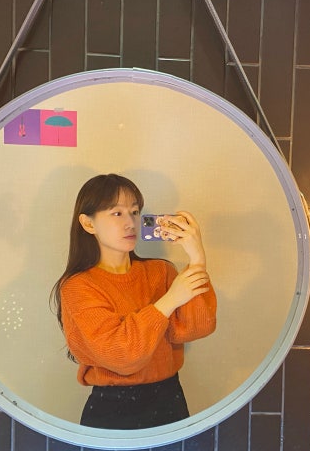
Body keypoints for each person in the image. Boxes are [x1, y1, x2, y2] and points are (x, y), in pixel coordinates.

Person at [52, 174, 217, 429]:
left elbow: (196, 328)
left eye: (135, 211)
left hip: (170, 399)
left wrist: (197, 259)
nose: (130, 223)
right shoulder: (78, 286)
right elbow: (122, 355)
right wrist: (170, 300)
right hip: (112, 410)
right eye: (116, 213)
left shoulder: (160, 271)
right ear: (88, 223)